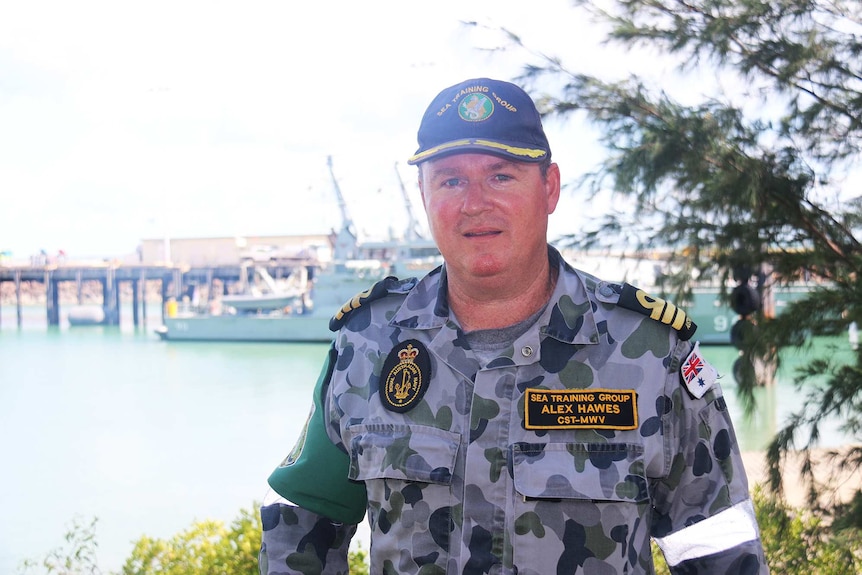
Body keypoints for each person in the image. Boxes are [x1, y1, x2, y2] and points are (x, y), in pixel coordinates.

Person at [259, 78, 768, 574]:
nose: (475, 202)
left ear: (549, 188)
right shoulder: (367, 344)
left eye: (501, 176)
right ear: (423, 193)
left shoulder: (650, 353)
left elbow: (719, 548)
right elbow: (300, 526)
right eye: (451, 180)